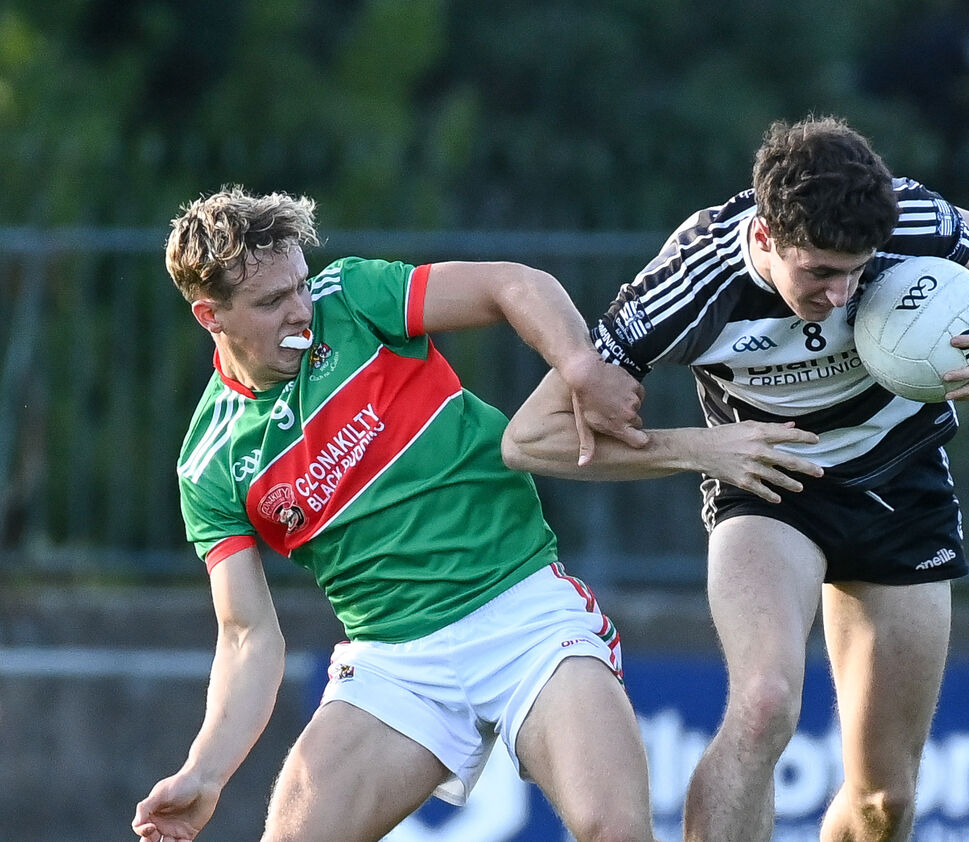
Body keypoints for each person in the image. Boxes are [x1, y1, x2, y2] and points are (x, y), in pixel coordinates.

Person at [501, 115, 969, 842]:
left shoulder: (908, 216)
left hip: (901, 477)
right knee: (764, 704)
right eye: (820, 272)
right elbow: (528, 439)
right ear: (765, 237)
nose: (840, 292)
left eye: (856, 271)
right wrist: (702, 449)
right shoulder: (691, 280)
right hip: (768, 490)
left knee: (885, 800)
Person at [130, 185, 673, 842]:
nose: (301, 310)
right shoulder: (211, 462)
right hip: (396, 664)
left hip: (525, 614)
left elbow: (512, 284)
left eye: (300, 284)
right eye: (272, 302)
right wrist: (206, 772)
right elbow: (247, 637)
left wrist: (578, 363)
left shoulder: (352, 298)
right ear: (209, 315)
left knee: (614, 827)